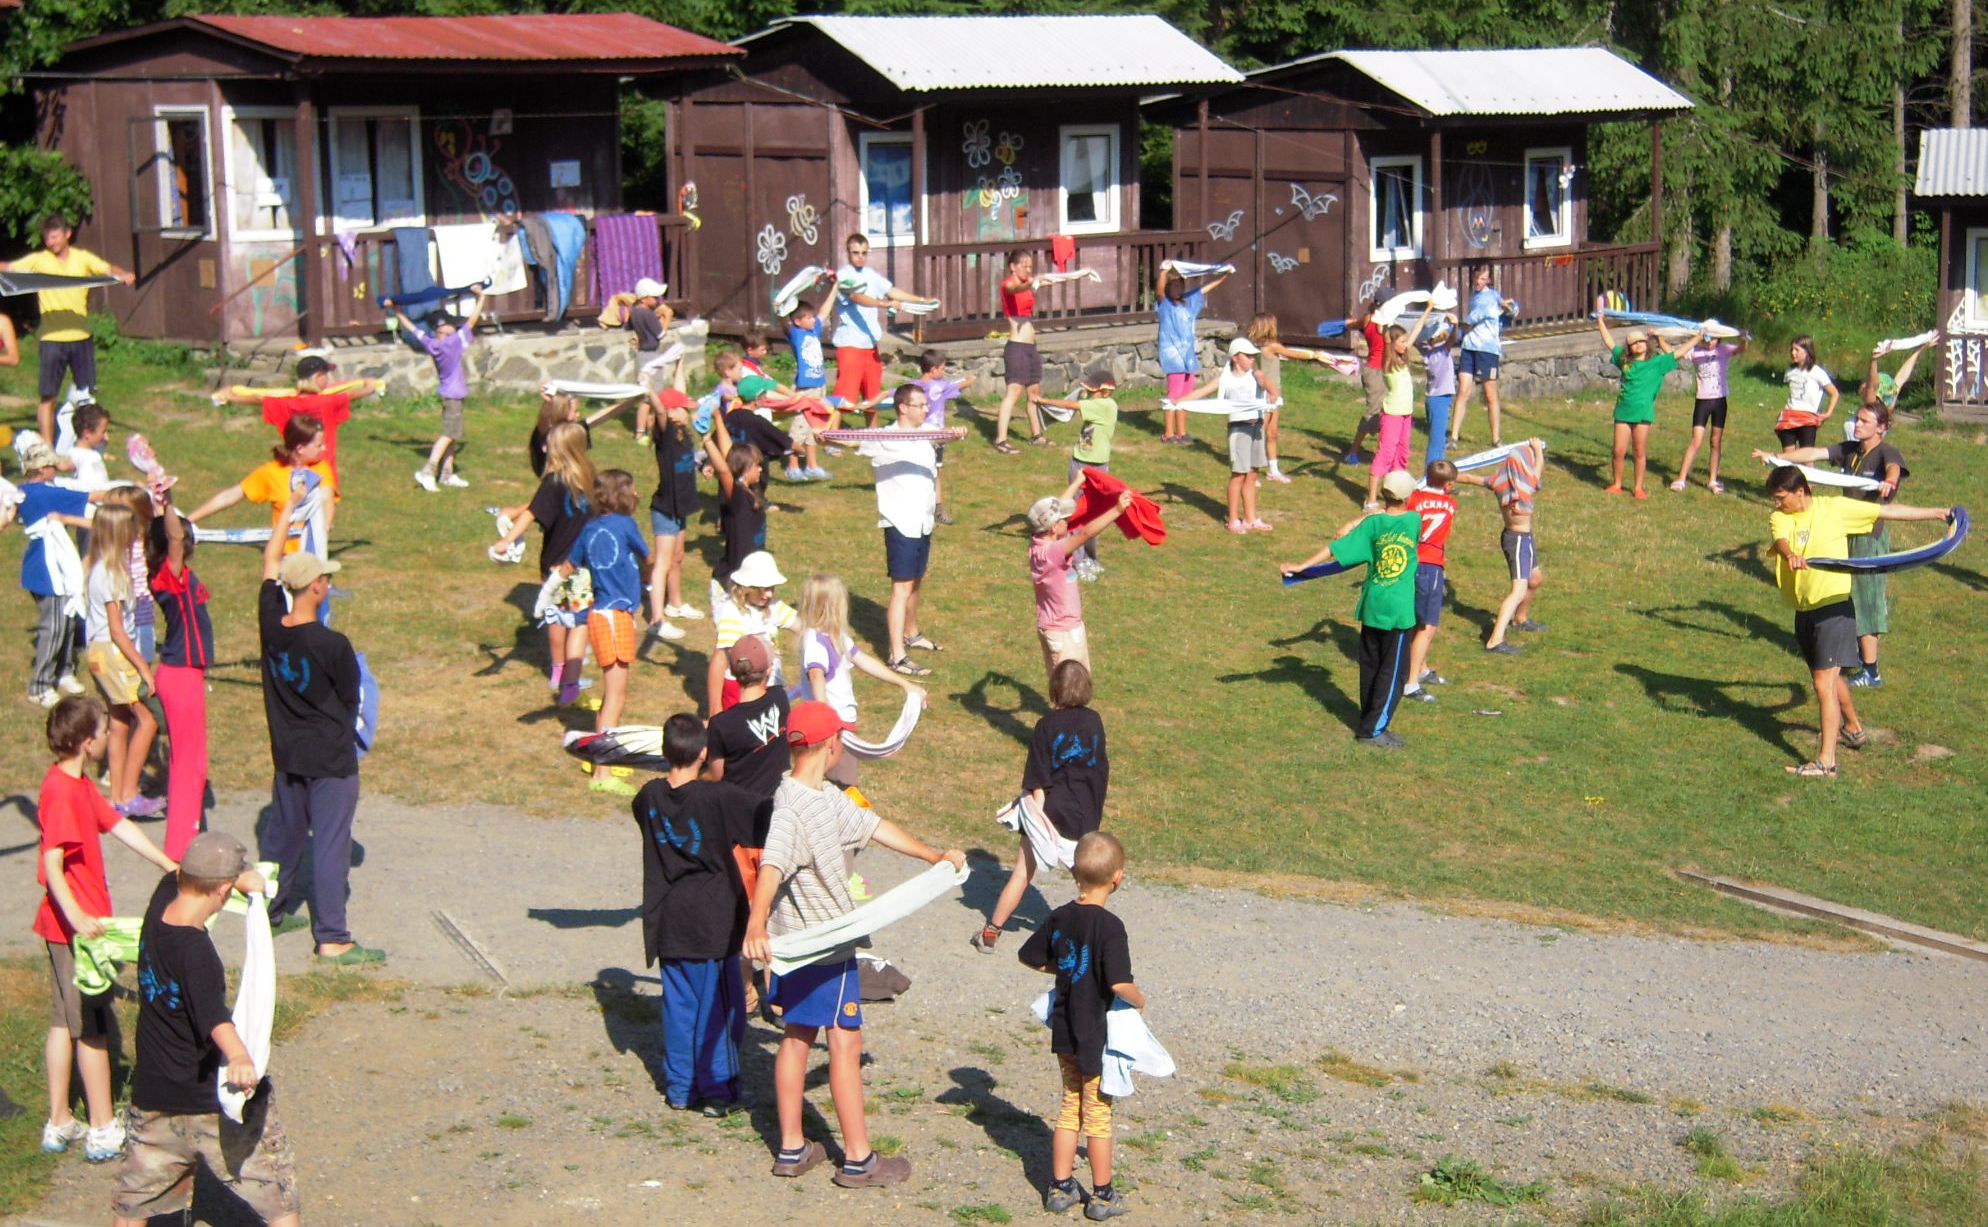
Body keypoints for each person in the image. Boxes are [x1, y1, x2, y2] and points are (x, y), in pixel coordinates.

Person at [741, 700, 967, 1189]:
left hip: (796, 945)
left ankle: (792, 1149)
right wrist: (755, 925)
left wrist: (932, 856)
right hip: (823, 948)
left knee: (797, 1035)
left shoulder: (819, 795)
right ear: (831, 744)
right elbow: (772, 865)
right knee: (845, 1043)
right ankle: (860, 1160)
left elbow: (874, 826)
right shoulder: (794, 810)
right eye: (841, 736)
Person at [112, 833, 299, 1227]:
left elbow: (175, 873)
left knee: (136, 1202)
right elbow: (213, 1018)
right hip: (210, 1100)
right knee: (277, 1197)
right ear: (223, 891)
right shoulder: (197, 953)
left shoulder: (160, 904)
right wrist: (239, 1055)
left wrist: (237, 878)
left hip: (155, 1097)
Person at [35, 695, 177, 1165]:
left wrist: (167, 863)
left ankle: (60, 1120)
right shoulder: (61, 791)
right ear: (86, 742)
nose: (105, 736)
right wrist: (77, 917)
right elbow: (52, 864)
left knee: (63, 1022)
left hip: (69, 926)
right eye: (101, 730)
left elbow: (117, 825)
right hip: (78, 930)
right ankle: (101, 1127)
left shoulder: (76, 785)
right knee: (92, 1026)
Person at [256, 494, 383, 964]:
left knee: (283, 835)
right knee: (330, 845)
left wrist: (289, 509)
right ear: (315, 588)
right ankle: (332, 937)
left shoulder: (271, 624)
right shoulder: (333, 644)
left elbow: (270, 561)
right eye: (325, 577)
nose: (329, 582)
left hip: (288, 755)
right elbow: (351, 699)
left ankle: (269, 914)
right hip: (330, 759)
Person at [1760, 465, 1950, 778]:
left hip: (1834, 608)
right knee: (1829, 678)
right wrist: (1790, 553)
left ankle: (1827, 763)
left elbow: (1887, 512)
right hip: (1804, 610)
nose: (1777, 503)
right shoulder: (1781, 516)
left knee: (1823, 683)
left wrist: (1937, 513)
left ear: (1800, 491)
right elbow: (1780, 539)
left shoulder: (1835, 509)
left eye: (1781, 497)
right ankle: (1853, 728)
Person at [633, 714, 769, 1114]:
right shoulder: (718, 798)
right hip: (713, 923)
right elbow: (767, 817)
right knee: (720, 1010)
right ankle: (718, 1090)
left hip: (668, 919)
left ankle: (680, 1088)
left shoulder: (648, 797)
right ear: (705, 753)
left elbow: (646, 811)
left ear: (663, 751)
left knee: (679, 1009)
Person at [1017, 830, 1143, 1219]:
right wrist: (1139, 999)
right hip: (1096, 1036)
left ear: (1074, 873)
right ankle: (1102, 1195)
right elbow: (1118, 983)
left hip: (1066, 1031)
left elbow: (1030, 955)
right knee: (1098, 1114)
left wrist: (1064, 969)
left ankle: (1060, 1187)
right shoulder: (1110, 927)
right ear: (1117, 877)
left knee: (1070, 1105)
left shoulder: (1060, 916)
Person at [1762, 403, 1909, 689]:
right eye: (1857, 418)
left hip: (1868, 535)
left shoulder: (1886, 452)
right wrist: (1776, 458)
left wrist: (1889, 482)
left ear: (1881, 427)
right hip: (1843, 531)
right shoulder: (1850, 450)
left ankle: (1871, 671)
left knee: (1865, 597)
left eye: (1864, 421)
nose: (1857, 424)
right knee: (1846, 594)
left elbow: (1893, 469)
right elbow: (1813, 453)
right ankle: (1846, 654)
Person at [973, 659, 1109, 952]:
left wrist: (1038, 822)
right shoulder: (1094, 722)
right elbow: (1099, 770)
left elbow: (1038, 780)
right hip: (1084, 814)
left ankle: (991, 932)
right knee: (1085, 880)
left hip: (1050, 809)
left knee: (1023, 873)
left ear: (1055, 690)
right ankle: (1091, 936)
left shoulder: (1045, 726)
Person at [1281, 469, 1422, 748]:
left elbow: (1337, 548)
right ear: (1407, 497)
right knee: (1393, 673)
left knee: (1370, 666)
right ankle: (1373, 731)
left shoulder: (1373, 525)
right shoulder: (1413, 521)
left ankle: (1367, 721)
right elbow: (1395, 512)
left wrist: (1302, 565)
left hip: (1373, 605)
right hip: (1398, 611)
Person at [861, 384, 966, 675]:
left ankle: (912, 633)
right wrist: (824, 435)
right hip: (901, 523)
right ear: (903, 407)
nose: (926, 409)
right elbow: (849, 442)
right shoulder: (883, 438)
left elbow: (942, 435)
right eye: (920, 405)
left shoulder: (924, 433)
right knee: (902, 588)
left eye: (926, 404)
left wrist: (956, 434)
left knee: (917, 580)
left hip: (923, 521)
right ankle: (896, 655)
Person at [491, 421, 596, 705]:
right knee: (579, 622)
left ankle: (558, 670)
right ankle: (571, 681)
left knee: (556, 617)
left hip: (554, 564)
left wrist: (507, 540)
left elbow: (531, 514)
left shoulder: (552, 482)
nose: (544, 448)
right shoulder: (590, 479)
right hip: (582, 567)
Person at [11, 212, 134, 442]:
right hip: (51, 339)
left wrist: (122, 274)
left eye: (55, 237)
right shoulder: (40, 260)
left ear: (67, 234)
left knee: (86, 396)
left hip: (80, 338)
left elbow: (108, 269)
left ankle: (87, 443)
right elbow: (10, 268)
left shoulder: (82, 258)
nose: (51, 242)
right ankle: (47, 447)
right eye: (47, 238)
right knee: (48, 396)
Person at [795, 572, 924, 788]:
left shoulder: (835, 636)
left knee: (839, 786)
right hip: (832, 732)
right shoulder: (816, 643)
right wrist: (826, 724)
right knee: (841, 787)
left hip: (841, 728)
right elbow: (816, 676)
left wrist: (905, 684)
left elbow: (864, 660)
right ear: (832, 606)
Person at [565, 470, 649, 795]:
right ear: (623, 495)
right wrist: (649, 576)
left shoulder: (589, 528)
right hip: (616, 617)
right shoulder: (626, 525)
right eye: (633, 489)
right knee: (616, 695)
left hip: (599, 615)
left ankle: (602, 757)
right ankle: (602, 772)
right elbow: (649, 555)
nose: (637, 494)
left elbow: (569, 565)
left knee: (611, 692)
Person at [16, 441, 111, 706]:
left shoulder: (28, 491)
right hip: (48, 570)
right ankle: (40, 685)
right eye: (52, 466)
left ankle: (64, 670)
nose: (56, 469)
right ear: (41, 469)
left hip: (50, 567)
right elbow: (89, 497)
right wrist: (125, 493)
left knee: (68, 620)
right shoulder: (44, 494)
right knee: (55, 626)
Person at [81, 502, 160, 816]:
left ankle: (116, 796)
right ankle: (128, 792)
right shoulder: (112, 574)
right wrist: (143, 668)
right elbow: (117, 630)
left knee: (119, 720)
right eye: (131, 528)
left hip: (98, 651)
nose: (137, 533)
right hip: (113, 654)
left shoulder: (98, 567)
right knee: (148, 719)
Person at [147, 490, 213, 860]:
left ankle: (186, 834)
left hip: (186, 672)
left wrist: (162, 509)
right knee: (190, 764)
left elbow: (169, 535)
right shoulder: (167, 577)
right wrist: (168, 503)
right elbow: (172, 536)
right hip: (181, 673)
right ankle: (180, 845)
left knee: (189, 760)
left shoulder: (180, 574)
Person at [186, 413, 336, 562]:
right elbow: (230, 496)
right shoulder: (271, 473)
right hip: (285, 558)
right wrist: (187, 521)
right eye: (318, 445)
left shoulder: (322, 469)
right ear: (300, 448)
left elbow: (327, 500)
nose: (324, 448)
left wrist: (322, 533)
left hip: (314, 557)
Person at [220, 355, 380, 491]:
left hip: (294, 473)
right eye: (326, 375)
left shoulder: (286, 403)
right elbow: (352, 393)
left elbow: (259, 399)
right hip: (324, 474)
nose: (328, 379)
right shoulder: (329, 402)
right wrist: (370, 385)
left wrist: (231, 395)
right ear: (318, 377)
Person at [1026, 483, 1134, 685]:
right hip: (1064, 632)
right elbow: (1084, 535)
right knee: (1072, 689)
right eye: (1064, 519)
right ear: (1053, 527)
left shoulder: (1037, 543)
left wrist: (1077, 481)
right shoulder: (1052, 553)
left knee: (1066, 687)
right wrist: (1117, 510)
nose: (1068, 520)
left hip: (1054, 629)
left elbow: (1057, 506)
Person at [390, 285, 487, 492]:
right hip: (453, 395)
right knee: (449, 434)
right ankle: (428, 470)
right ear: (442, 330)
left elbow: (412, 329)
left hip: (447, 393)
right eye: (450, 325)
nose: (454, 327)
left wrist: (396, 309)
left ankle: (447, 474)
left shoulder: (431, 343)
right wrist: (481, 297)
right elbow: (472, 321)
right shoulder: (453, 343)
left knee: (453, 434)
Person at [832, 234, 937, 424]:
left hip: (870, 347)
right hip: (850, 345)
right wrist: (884, 304)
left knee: (873, 398)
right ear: (848, 252)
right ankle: (831, 436)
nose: (860, 257)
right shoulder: (843, 276)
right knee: (843, 398)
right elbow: (856, 297)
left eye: (864, 253)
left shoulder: (870, 274)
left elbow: (891, 291)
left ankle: (873, 434)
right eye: (855, 253)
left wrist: (921, 300)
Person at [1178, 336, 1273, 534]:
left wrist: (1272, 394)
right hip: (1239, 429)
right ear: (1236, 357)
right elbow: (1202, 392)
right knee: (1238, 475)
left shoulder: (1256, 375)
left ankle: (1251, 518)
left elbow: (1269, 386)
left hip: (1256, 427)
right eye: (1247, 356)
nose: (1252, 359)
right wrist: (1177, 402)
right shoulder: (1225, 379)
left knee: (1252, 473)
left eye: (1253, 356)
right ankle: (1233, 519)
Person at [1595, 310, 1692, 498]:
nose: (1638, 344)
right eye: (1634, 343)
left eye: (1641, 341)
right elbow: (1608, 341)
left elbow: (1679, 353)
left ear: (1647, 344)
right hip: (1623, 412)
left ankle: (1638, 488)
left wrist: (1697, 337)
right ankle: (1617, 484)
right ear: (1629, 348)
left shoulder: (1657, 363)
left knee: (1639, 451)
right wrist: (1600, 321)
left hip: (1643, 413)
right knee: (1618, 451)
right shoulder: (1624, 361)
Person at [1033, 367, 1121, 577]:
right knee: (1076, 511)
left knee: (1094, 513)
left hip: (1097, 466)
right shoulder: (1098, 402)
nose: (1088, 394)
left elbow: (1071, 405)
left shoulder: (1105, 405)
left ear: (1105, 392)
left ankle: (1090, 557)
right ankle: (1078, 560)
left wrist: (1043, 401)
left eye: (1092, 391)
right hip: (1080, 463)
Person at [1244, 313, 1333, 483]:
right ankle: (1250, 471)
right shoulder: (1271, 346)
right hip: (1265, 394)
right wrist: (1314, 355)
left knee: (1272, 433)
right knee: (1259, 434)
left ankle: (1273, 470)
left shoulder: (1260, 346)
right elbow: (1292, 353)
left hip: (1275, 394)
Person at [1401, 460, 1462, 704]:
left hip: (1410, 562)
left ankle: (1422, 667)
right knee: (1427, 626)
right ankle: (1411, 682)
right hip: (1431, 565)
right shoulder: (1451, 505)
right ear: (1448, 485)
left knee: (1415, 618)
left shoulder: (1413, 499)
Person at [707, 551, 797, 717]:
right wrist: (715, 709)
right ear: (748, 588)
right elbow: (720, 659)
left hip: (771, 684)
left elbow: (802, 626)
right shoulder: (733, 613)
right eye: (763, 589)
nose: (769, 594)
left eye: (772, 588)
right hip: (741, 689)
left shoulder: (774, 606)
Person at [1480, 439, 1548, 654]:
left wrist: (1450, 475)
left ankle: (1520, 618)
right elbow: (1538, 471)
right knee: (1517, 591)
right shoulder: (1527, 484)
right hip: (1517, 540)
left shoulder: (1499, 482)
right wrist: (1538, 451)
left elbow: (1473, 479)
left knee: (1535, 579)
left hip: (1525, 538)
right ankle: (1495, 640)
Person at [703, 634, 791, 797]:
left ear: (731, 671)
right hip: (779, 800)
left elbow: (716, 775)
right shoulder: (780, 698)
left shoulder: (722, 724)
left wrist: (695, 777)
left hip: (740, 805)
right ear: (769, 670)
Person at [643, 390, 699, 643]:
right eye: (684, 408)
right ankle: (657, 621)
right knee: (663, 564)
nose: (689, 412)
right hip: (665, 509)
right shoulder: (665, 435)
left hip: (681, 507)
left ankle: (675, 604)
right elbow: (660, 410)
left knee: (677, 557)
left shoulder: (682, 434)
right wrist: (650, 391)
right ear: (672, 412)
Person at [1155, 263, 1227, 444]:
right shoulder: (1165, 305)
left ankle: (1182, 432)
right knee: (1174, 395)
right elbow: (1159, 291)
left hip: (1188, 357)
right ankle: (1168, 434)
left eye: (1180, 286)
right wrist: (1164, 272)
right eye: (1174, 286)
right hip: (1173, 357)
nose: (1178, 289)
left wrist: (1224, 275)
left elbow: (1204, 289)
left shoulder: (1188, 302)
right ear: (1168, 288)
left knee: (1186, 396)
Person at [1452, 263, 1516, 448]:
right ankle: (1453, 437)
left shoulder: (1491, 297)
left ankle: (1496, 439)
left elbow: (1478, 316)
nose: (1479, 282)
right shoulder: (1476, 296)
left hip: (1487, 350)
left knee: (1490, 395)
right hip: (1469, 347)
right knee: (1463, 391)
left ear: (1488, 280)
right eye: (1477, 279)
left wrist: (1508, 307)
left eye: (1483, 279)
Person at [1672, 333, 1745, 493]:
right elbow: (1673, 354)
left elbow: (1741, 349)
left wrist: (1744, 339)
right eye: (1706, 338)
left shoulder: (1723, 349)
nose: (1709, 341)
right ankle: (1681, 479)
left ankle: (1713, 480)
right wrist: (1658, 338)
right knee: (1696, 440)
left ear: (1718, 339)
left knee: (1715, 441)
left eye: (1713, 338)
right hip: (1702, 402)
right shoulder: (1695, 351)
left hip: (1719, 402)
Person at [992, 250, 1048, 453]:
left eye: (1030, 266)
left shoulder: (1028, 283)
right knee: (1014, 392)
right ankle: (1001, 440)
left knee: (1034, 392)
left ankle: (1036, 435)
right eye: (1024, 266)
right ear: (1013, 267)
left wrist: (1080, 274)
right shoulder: (1008, 284)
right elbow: (1014, 289)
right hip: (1017, 347)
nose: (1028, 269)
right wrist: (1031, 283)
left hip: (1031, 347)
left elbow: (1046, 280)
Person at [913, 349, 976, 523]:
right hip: (935, 435)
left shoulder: (913, 386)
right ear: (933, 370)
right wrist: (970, 380)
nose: (943, 372)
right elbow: (958, 386)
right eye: (942, 369)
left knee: (930, 471)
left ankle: (936, 509)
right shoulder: (938, 386)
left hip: (918, 434)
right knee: (934, 472)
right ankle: (933, 509)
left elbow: (893, 394)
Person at [1365, 323, 1416, 509]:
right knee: (1385, 454)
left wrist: (1428, 310)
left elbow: (1414, 334)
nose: (1406, 344)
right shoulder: (1388, 363)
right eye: (1402, 341)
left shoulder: (1403, 360)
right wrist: (1386, 334)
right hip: (1392, 414)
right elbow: (1387, 345)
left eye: (1406, 341)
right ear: (1392, 343)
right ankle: (1371, 500)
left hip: (1406, 414)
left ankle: (1396, 494)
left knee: (1402, 454)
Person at [1340, 298, 1385, 464]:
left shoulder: (1368, 318)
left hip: (1384, 371)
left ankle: (1385, 451)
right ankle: (1353, 452)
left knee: (1387, 412)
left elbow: (1354, 324)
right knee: (1373, 412)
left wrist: (1347, 324)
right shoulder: (1379, 321)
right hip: (1375, 371)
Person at [1416, 308, 1460, 469]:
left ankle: (1439, 472)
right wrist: (1455, 325)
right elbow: (1453, 338)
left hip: (1434, 398)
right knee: (1437, 442)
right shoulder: (1441, 349)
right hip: (1440, 399)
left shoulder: (1426, 351)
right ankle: (1432, 474)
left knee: (1438, 440)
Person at [1776, 335, 1837, 450]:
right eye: (1792, 349)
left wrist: (1827, 414)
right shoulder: (1790, 371)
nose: (1793, 353)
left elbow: (1834, 393)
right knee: (1788, 456)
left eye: (1797, 350)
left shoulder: (1817, 372)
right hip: (1789, 415)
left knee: (1806, 455)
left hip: (1807, 419)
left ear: (1807, 351)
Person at [55, 401, 111, 491]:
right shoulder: (75, 454)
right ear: (87, 433)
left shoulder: (95, 450)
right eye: (103, 432)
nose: (106, 436)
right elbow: (64, 465)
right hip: (89, 496)